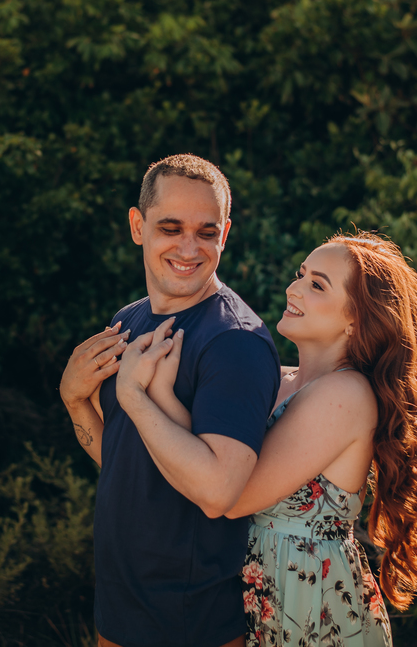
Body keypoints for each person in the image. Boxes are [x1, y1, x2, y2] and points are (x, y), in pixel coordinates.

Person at [119, 232, 417, 647]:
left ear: (356, 318)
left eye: (317, 285)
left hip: (314, 609)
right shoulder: (278, 380)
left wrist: (140, 399)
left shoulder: (345, 395)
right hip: (260, 604)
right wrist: (162, 396)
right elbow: (207, 461)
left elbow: (228, 495)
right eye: (301, 275)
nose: (293, 288)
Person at [59, 154, 281, 647]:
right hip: (118, 609)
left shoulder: (234, 343)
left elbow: (220, 489)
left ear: (225, 234)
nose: (188, 247)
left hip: (190, 619)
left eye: (206, 231)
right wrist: (75, 402)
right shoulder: (130, 321)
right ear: (138, 226)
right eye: (171, 227)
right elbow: (126, 462)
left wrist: (134, 398)